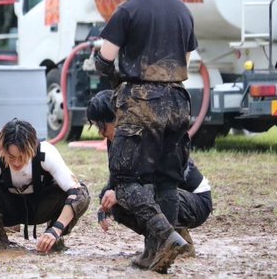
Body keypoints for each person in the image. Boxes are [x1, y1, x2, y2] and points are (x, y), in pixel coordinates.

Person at [94, 0, 198, 272]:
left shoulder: (128, 10)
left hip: (140, 102)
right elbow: (186, 61)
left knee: (125, 181)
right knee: (167, 180)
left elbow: (104, 59)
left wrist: (117, 80)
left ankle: (166, 237)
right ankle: (155, 255)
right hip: (178, 101)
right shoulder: (183, 11)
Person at [87, 90, 213, 264]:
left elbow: (153, 182)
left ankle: (172, 241)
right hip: (161, 192)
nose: (101, 133)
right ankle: (164, 240)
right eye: (97, 127)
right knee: (115, 201)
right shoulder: (116, 140)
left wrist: (119, 194)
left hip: (196, 200)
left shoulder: (146, 133)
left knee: (131, 195)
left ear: (118, 117)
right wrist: (104, 206)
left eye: (102, 126)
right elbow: (116, 179)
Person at [0, 118, 90, 257]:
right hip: (7, 210)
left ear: (32, 149)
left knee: (81, 194)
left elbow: (77, 194)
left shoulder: (46, 154)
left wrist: (56, 230)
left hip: (40, 208)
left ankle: (53, 239)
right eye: (11, 157)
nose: (17, 163)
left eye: (22, 157)